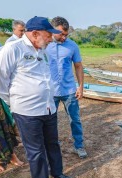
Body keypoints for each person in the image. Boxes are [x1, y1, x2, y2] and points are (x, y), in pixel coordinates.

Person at [0, 16, 74, 178]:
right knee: (35, 149)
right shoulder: (12, 50)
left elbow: (45, 78)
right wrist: (14, 102)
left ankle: (57, 174)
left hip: (48, 108)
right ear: (35, 33)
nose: (51, 38)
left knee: (53, 143)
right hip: (27, 111)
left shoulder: (43, 51)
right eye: (48, 35)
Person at [46, 16, 87, 159]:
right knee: (50, 121)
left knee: (74, 119)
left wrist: (80, 87)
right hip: (50, 91)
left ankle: (79, 145)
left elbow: (78, 66)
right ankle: (52, 148)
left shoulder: (72, 46)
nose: (64, 37)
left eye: (66, 34)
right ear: (52, 30)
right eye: (61, 34)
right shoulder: (44, 45)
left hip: (69, 90)